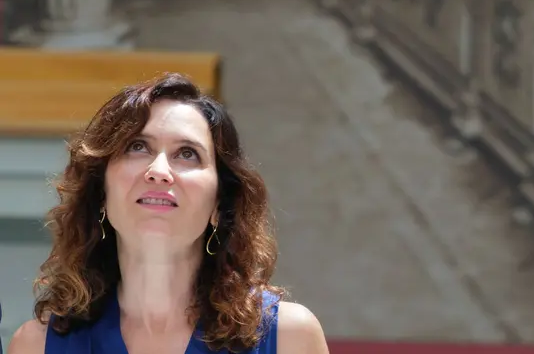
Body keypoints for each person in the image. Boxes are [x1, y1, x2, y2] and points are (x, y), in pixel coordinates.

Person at [8, 73, 329, 354]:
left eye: (187, 154)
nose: (159, 171)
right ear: (101, 194)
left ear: (220, 204)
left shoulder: (288, 338)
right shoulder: (36, 347)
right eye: (137, 147)